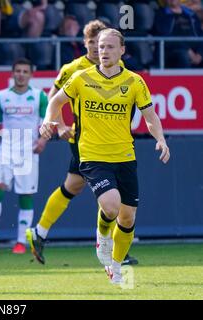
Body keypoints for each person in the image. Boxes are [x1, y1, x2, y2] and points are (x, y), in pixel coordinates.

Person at [39, 28, 170, 284]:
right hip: (92, 156)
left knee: (127, 216)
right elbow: (54, 102)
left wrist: (161, 139)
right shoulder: (81, 78)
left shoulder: (134, 81)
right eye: (100, 47)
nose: (104, 51)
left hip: (124, 155)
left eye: (110, 47)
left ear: (122, 50)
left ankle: (117, 267)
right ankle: (102, 238)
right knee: (110, 205)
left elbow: (149, 116)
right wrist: (48, 121)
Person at [26, 20, 138, 267]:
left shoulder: (117, 67)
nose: (97, 50)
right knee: (104, 192)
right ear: (86, 43)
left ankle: (40, 232)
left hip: (109, 140)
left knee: (73, 186)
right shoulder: (74, 69)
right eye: (92, 44)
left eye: (101, 45)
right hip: (83, 139)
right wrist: (61, 125)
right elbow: (52, 99)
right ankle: (114, 249)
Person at [0, 58, 49, 254]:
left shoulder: (39, 96)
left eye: (24, 71)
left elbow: (47, 123)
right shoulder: (2, 96)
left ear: (31, 74)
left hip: (28, 152)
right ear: (12, 74)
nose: (21, 74)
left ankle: (21, 241)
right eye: (17, 71)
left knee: (25, 196)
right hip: (6, 151)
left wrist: (43, 141)